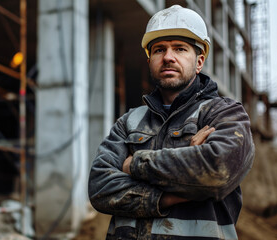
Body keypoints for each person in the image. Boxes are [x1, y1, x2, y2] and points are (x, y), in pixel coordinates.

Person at [88, 5, 255, 240]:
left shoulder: (224, 114)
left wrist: (134, 164)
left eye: (180, 48)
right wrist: (173, 193)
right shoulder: (129, 121)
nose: (168, 57)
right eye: (159, 50)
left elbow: (217, 172)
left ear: (199, 61)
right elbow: (99, 188)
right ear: (150, 60)